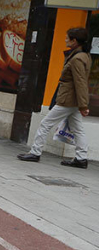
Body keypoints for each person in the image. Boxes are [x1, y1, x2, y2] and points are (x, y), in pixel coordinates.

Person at [18, 27, 91, 168]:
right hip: (73, 100)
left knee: (45, 124)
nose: (65, 40)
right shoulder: (84, 55)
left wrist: (84, 105)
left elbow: (80, 82)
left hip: (68, 100)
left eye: (67, 38)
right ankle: (81, 158)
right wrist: (82, 104)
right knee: (78, 129)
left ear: (74, 41)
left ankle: (35, 152)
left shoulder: (77, 59)